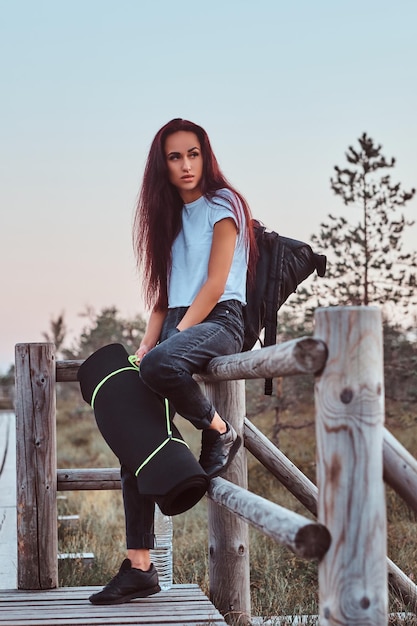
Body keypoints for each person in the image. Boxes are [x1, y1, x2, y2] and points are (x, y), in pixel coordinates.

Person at [89, 118, 256, 605]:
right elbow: (164, 295)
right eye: (175, 157)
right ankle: (140, 566)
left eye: (193, 154)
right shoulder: (164, 218)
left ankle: (220, 430)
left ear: (206, 156)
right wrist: (147, 343)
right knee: (134, 437)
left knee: (161, 366)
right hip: (178, 325)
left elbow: (214, 283)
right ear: (161, 166)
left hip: (221, 318)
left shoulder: (224, 205)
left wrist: (169, 344)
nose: (186, 165)